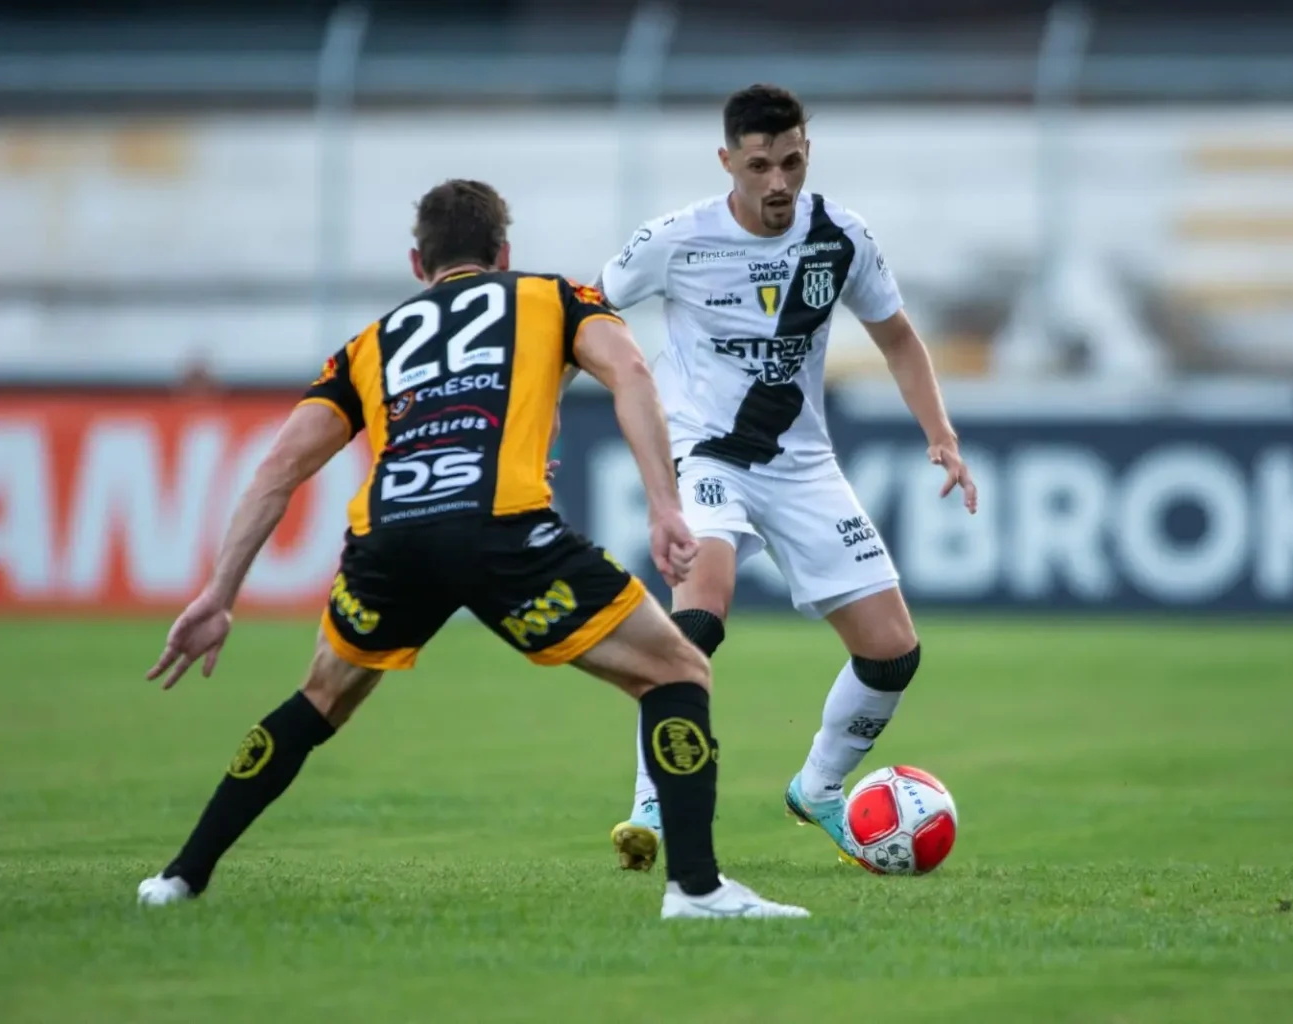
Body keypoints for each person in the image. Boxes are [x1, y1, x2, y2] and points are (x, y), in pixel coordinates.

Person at [136, 179, 807, 920]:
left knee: (319, 699)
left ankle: (179, 877)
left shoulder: (368, 345)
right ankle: (697, 888)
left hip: (388, 542)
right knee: (677, 669)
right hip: (500, 532)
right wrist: (663, 504)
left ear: (418, 263)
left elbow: (278, 469)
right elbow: (631, 373)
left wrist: (218, 595)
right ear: (504, 253)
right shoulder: (552, 296)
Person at [594, 85, 978, 872]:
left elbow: (899, 337)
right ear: (727, 160)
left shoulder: (840, 236)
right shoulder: (674, 240)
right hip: (703, 451)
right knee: (700, 611)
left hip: (801, 465)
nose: (779, 182)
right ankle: (652, 799)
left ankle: (820, 790)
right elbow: (586, 316)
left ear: (808, 153)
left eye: (793, 161)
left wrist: (940, 435)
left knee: (893, 654)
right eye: (761, 164)